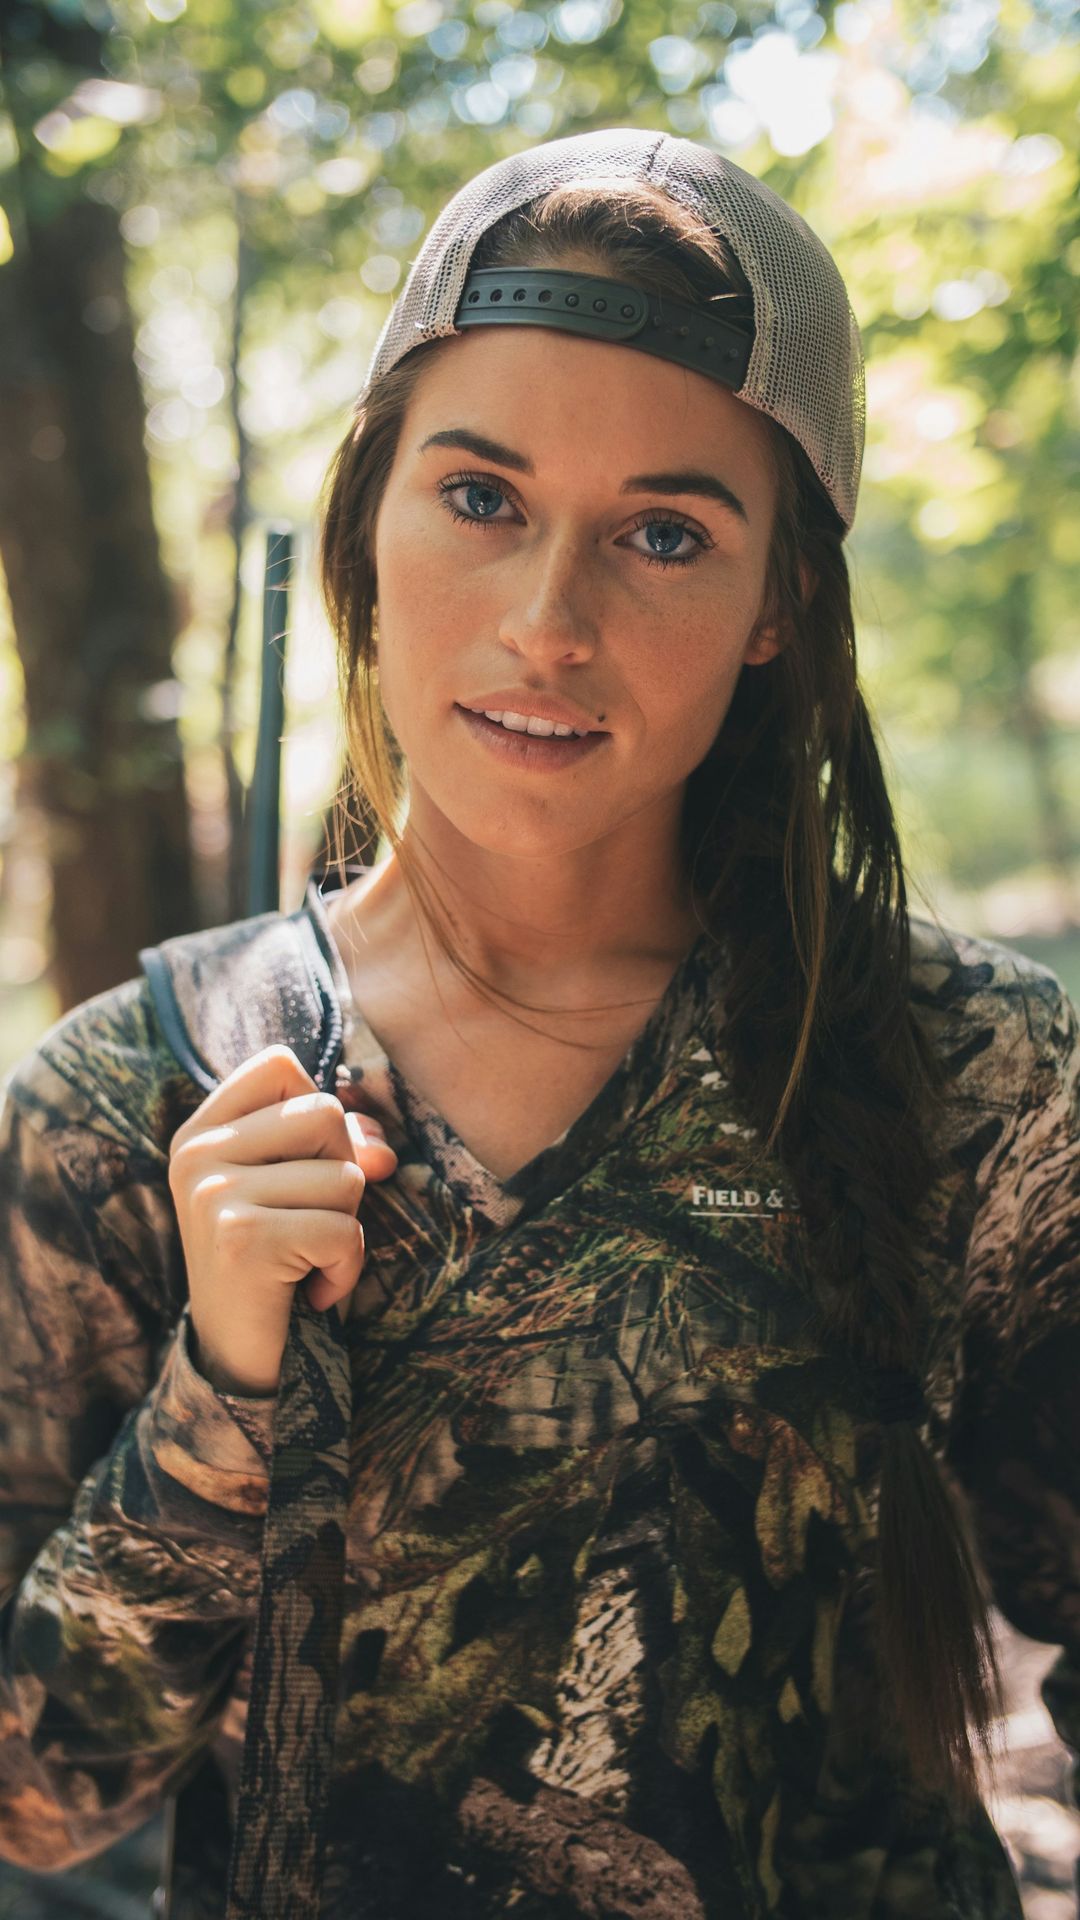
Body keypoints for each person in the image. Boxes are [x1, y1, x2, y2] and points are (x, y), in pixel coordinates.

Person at [0, 125, 1077, 1920]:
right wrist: (221, 1395)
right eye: (481, 498)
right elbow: (36, 1799)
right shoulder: (130, 1099)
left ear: (778, 606)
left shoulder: (972, 1074)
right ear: (369, 519)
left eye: (665, 535)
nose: (547, 623)